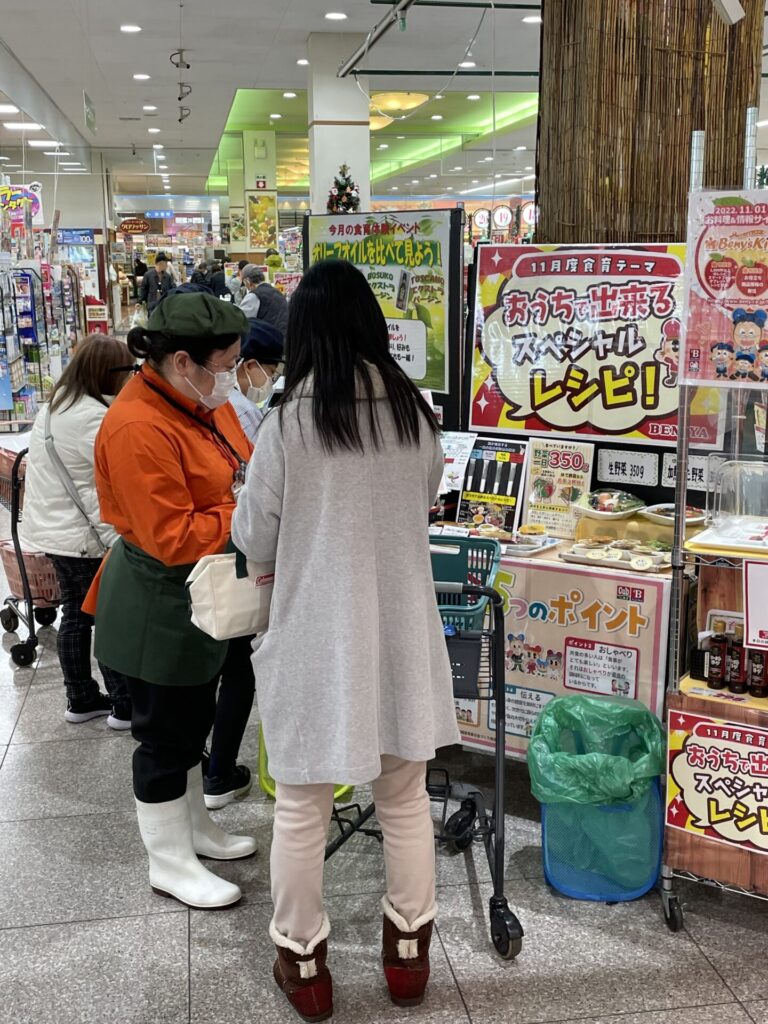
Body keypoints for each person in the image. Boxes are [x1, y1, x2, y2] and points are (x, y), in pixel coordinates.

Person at [232, 259, 459, 1019]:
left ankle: (304, 965)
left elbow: (253, 533)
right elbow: (423, 500)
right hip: (401, 636)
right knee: (405, 801)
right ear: (370, 325)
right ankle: (408, 956)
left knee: (302, 807)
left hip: (316, 637)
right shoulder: (413, 413)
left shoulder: (289, 421)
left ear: (303, 333)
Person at [85, 292, 257, 911]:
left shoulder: (199, 401)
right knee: (163, 738)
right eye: (226, 365)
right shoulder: (139, 426)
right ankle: (168, 862)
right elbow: (173, 535)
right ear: (183, 361)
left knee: (192, 725)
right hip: (158, 604)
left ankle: (196, 829)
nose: (233, 378)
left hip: (204, 594)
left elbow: (243, 466)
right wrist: (248, 512)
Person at [20, 335, 133, 728]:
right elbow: (119, 473)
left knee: (76, 613)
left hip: (56, 531)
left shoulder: (55, 406)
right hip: (84, 537)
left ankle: (81, 698)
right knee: (105, 616)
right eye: (125, 372)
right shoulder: (93, 417)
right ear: (107, 373)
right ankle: (124, 705)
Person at [229, 318, 284, 444]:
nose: (271, 381)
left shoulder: (215, 398)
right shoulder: (245, 412)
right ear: (249, 366)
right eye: (271, 372)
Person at [238, 265, 289, 334]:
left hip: (266, 337)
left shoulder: (254, 296)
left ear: (247, 281)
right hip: (283, 335)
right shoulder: (277, 292)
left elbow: (241, 321)